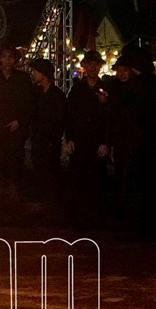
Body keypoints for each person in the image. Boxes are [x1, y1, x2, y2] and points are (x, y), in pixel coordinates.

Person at [105, 48, 156, 234]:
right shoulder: (145, 85)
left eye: (125, 69)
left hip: (133, 142)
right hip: (135, 141)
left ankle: (134, 223)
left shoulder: (137, 87)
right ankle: (136, 222)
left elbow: (127, 114)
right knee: (133, 181)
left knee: (133, 182)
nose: (121, 74)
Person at [0, 46, 33, 203]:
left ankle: (14, 194)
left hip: (15, 130)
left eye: (11, 57)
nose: (8, 60)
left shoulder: (23, 80)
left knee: (15, 163)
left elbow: (29, 104)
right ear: (0, 59)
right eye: (4, 57)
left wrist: (20, 121)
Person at [66, 51, 111, 225]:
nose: (92, 68)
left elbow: (109, 118)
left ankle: (96, 217)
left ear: (100, 66)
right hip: (80, 141)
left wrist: (106, 142)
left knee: (97, 180)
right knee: (79, 179)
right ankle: (80, 217)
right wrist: (69, 138)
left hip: (97, 141)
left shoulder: (106, 89)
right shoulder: (77, 89)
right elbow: (69, 116)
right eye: (89, 64)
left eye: (95, 65)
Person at [28, 58, 66, 204]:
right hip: (38, 140)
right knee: (38, 170)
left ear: (43, 74)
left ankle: (52, 203)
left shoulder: (57, 96)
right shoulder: (35, 93)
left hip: (50, 141)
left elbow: (61, 119)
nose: (33, 74)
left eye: (35, 72)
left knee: (51, 172)